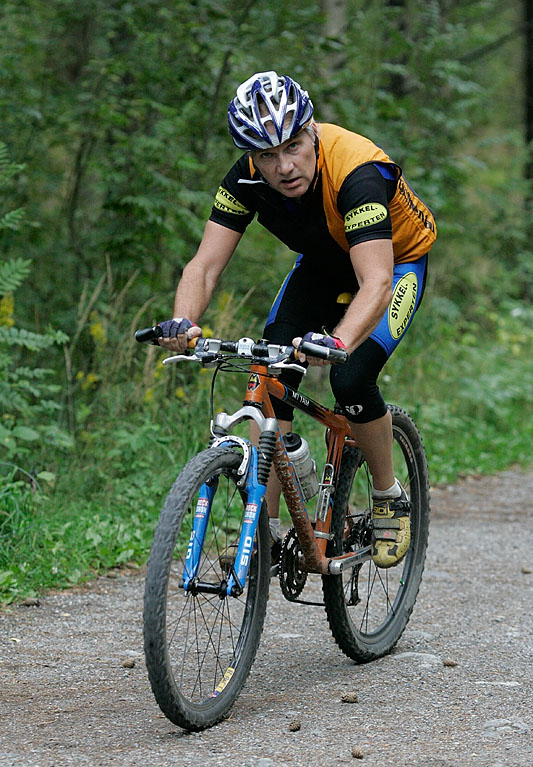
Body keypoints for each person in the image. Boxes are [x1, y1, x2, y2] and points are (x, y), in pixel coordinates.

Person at [157, 71, 436, 568]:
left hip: (395, 264)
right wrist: (182, 322)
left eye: (293, 146)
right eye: (267, 155)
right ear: (251, 156)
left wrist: (339, 341)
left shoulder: (357, 171)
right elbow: (203, 266)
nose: (284, 167)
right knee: (271, 374)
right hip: (323, 264)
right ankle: (261, 532)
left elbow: (375, 282)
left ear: (312, 132)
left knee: (351, 377)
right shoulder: (243, 180)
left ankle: (388, 495)